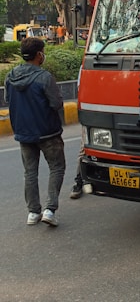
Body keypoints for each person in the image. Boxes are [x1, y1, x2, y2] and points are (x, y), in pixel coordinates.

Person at [4, 37, 66, 226]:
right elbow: (56, 104)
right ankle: (50, 210)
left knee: (29, 172)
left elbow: (8, 100)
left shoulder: (10, 76)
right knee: (57, 168)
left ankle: (33, 212)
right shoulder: (44, 77)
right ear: (39, 54)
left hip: (24, 133)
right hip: (48, 132)